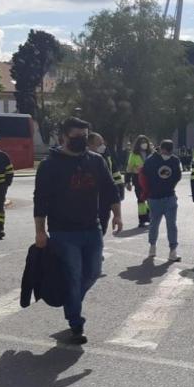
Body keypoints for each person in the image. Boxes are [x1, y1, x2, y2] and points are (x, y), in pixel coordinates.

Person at [34, 117, 121, 345]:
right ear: (63, 137)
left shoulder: (96, 161)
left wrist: (118, 215)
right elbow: (40, 200)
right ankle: (75, 322)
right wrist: (40, 231)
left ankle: (69, 300)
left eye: (84, 136)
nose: (81, 141)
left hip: (92, 228)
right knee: (73, 276)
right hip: (63, 232)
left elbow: (110, 189)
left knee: (92, 272)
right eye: (76, 137)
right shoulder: (50, 165)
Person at [142, 140, 183, 262]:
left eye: (170, 152)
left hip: (167, 196)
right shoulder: (151, 160)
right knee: (155, 223)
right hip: (156, 197)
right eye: (166, 151)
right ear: (161, 148)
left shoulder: (174, 160)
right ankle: (153, 246)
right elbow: (144, 177)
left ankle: (172, 250)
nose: (168, 153)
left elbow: (178, 176)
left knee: (171, 225)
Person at [87, 132, 124, 236]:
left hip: (105, 201)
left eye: (103, 143)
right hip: (90, 203)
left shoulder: (105, 156)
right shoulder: (83, 160)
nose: (103, 146)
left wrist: (119, 189)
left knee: (100, 231)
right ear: (89, 145)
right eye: (99, 144)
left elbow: (114, 174)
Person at [125, 135, 152, 227]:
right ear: (138, 144)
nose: (144, 144)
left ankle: (149, 216)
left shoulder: (151, 153)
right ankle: (142, 219)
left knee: (150, 199)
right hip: (138, 179)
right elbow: (129, 168)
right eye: (142, 142)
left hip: (150, 180)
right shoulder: (134, 155)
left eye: (145, 142)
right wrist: (127, 181)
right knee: (141, 199)